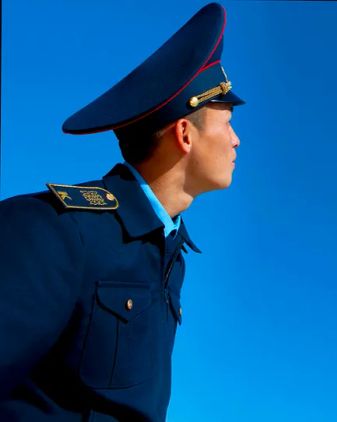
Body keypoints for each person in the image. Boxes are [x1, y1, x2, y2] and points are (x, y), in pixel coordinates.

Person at [0, 3, 243, 420]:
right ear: (185, 133)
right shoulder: (58, 229)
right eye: (227, 123)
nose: (236, 141)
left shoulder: (168, 255)